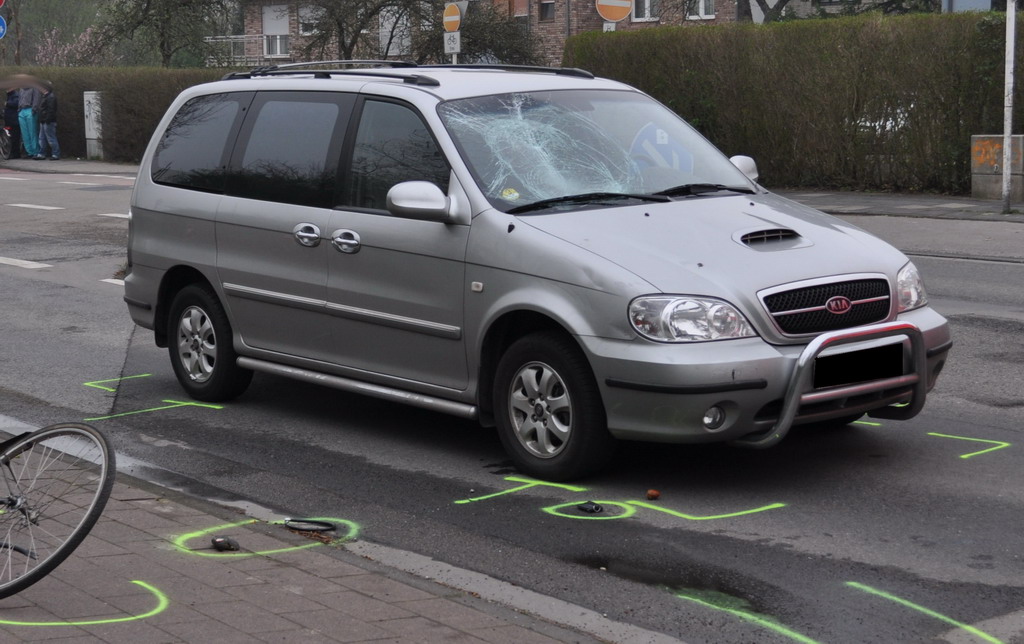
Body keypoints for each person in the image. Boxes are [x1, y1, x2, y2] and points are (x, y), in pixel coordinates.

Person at [35, 83, 59, 161]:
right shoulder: (46, 96)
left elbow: (51, 110)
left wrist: (47, 119)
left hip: (48, 121)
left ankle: (55, 154)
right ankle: (42, 153)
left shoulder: (51, 97)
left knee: (50, 138)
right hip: (44, 120)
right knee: (42, 138)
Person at [17, 81, 41, 159]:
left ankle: (35, 151)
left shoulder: (34, 88)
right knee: (25, 133)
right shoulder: (21, 89)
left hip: (30, 110)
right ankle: (29, 152)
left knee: (32, 132)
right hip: (22, 111)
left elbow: (36, 99)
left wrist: (34, 110)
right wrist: (19, 109)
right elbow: (19, 99)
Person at [4, 88, 22, 159]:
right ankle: (12, 153)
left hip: (14, 121)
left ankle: (16, 154)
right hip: (9, 120)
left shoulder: (15, 95)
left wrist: (7, 104)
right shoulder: (9, 96)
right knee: (10, 138)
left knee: (15, 138)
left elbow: (17, 103)